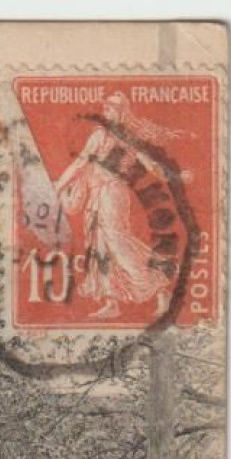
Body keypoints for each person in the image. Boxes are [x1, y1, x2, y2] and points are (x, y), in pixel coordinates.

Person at [54, 91, 187, 320]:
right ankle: (111, 301)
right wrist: (60, 185)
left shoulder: (123, 138)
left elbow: (151, 166)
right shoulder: (100, 135)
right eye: (105, 107)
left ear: (121, 113)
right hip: (97, 194)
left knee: (117, 243)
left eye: (112, 108)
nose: (106, 111)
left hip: (112, 193)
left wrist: (176, 177)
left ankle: (158, 285)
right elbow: (80, 163)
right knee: (99, 246)